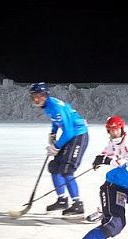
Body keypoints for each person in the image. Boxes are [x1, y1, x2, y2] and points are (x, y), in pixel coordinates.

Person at [29, 82, 89, 216]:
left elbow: (69, 132)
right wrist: (53, 133)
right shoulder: (47, 106)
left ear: (44, 95)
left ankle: (77, 204)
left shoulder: (55, 107)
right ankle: (62, 200)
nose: (35, 99)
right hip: (70, 135)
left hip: (78, 135)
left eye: (37, 96)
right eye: (33, 96)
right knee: (54, 167)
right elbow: (55, 121)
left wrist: (56, 147)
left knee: (67, 169)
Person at [85, 115, 128, 223]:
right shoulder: (113, 141)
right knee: (107, 187)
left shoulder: (127, 142)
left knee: (111, 188)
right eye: (111, 130)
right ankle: (105, 211)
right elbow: (108, 153)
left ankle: (110, 214)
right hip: (122, 173)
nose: (114, 133)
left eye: (116, 130)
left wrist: (108, 161)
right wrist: (100, 160)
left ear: (122, 128)